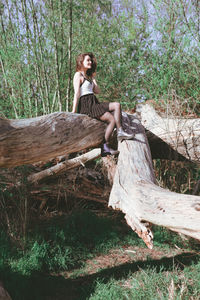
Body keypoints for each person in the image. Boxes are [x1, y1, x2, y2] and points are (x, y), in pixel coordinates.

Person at [72, 52, 134, 156]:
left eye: (91, 60)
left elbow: (97, 91)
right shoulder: (78, 75)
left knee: (114, 113)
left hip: (94, 101)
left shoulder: (88, 76)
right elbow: (77, 93)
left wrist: (93, 79)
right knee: (114, 112)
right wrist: (73, 111)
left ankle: (112, 140)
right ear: (81, 62)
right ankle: (114, 138)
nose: (90, 62)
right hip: (86, 104)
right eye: (88, 60)